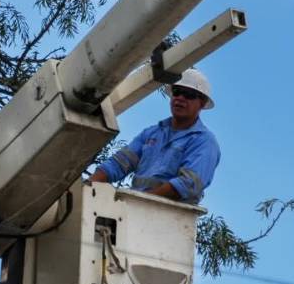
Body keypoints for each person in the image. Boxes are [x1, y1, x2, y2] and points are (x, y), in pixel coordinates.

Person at [88, 68, 220, 204]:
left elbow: (187, 184)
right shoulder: (152, 133)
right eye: (177, 92)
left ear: (202, 103)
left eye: (189, 94)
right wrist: (87, 187)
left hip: (171, 215)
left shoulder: (204, 142)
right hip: (136, 208)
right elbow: (119, 163)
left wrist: (142, 201)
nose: (180, 98)